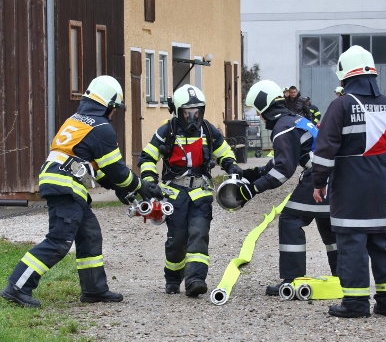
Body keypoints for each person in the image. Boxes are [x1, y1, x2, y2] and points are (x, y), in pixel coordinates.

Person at [1, 76, 151, 309]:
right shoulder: (101, 128)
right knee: (59, 240)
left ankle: (94, 290)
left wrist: (119, 188)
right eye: (114, 108)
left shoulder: (77, 120)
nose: (113, 113)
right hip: (65, 185)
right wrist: (141, 186)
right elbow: (117, 171)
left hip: (61, 180)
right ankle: (17, 287)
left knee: (90, 234)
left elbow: (96, 168)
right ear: (108, 104)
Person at [312, 45, 386, 319]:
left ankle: (355, 303)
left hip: (349, 186)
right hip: (379, 186)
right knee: (379, 242)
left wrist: (319, 181)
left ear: (344, 74)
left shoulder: (341, 105)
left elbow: (325, 148)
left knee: (352, 243)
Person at [138, 84, 241, 297]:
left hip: (200, 193)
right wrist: (149, 181)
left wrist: (231, 166)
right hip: (174, 194)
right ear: (178, 112)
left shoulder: (208, 130)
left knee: (199, 233)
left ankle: (195, 279)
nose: (193, 117)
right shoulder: (167, 131)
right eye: (187, 113)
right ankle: (173, 278)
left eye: (197, 112)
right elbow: (147, 157)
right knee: (177, 240)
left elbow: (224, 152)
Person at [242, 80, 337, 295]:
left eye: (258, 110)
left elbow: (283, 171)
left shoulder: (282, 127)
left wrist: (252, 190)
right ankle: (343, 277)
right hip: (334, 175)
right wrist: (254, 173)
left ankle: (291, 281)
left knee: (290, 219)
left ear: (265, 107)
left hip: (318, 176)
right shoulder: (293, 120)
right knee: (328, 223)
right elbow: (284, 158)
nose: (259, 116)